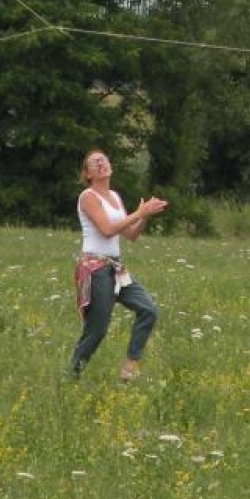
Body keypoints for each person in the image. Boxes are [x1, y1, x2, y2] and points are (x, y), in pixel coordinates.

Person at [70, 149, 167, 380]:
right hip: (95, 269)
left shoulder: (114, 197)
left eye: (104, 159)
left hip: (115, 268)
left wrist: (145, 216)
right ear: (87, 174)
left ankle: (128, 369)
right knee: (97, 330)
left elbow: (131, 234)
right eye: (95, 162)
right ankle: (72, 375)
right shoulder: (88, 197)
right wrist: (139, 212)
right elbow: (106, 230)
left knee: (148, 310)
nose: (101, 163)